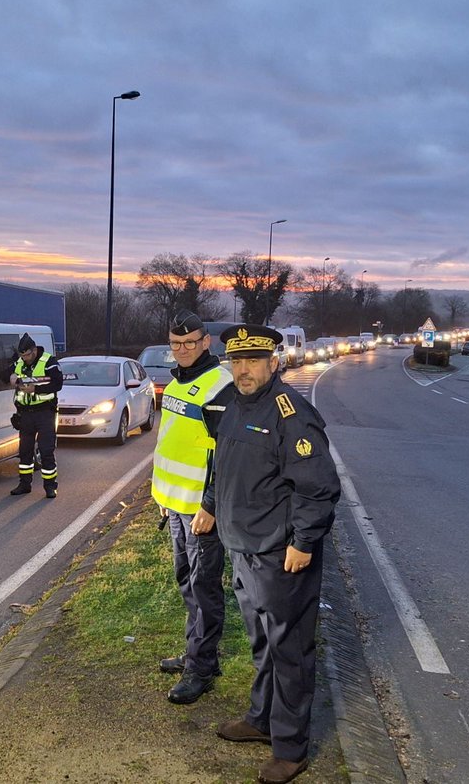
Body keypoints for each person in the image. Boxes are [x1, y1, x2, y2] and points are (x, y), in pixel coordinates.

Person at [192, 324, 341, 784]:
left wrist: (303, 542)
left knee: (290, 649)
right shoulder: (234, 407)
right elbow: (222, 465)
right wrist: (210, 508)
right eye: (237, 361)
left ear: (273, 363)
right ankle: (261, 719)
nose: (243, 369)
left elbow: (318, 487)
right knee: (263, 643)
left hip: (280, 555)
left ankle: (291, 748)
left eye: (253, 361)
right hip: (243, 549)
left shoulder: (290, 413)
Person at [150, 310, 235, 705]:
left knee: (203, 588)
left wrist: (211, 505)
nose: (183, 350)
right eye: (176, 344)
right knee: (187, 582)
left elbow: (229, 455)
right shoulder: (177, 381)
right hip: (175, 504)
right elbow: (173, 442)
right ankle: (198, 654)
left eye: (191, 342)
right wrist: (165, 500)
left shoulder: (220, 386)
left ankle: (200, 669)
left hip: (201, 511)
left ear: (207, 342)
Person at [9, 333, 63, 498]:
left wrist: (36, 389)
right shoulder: (19, 362)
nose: (24, 359)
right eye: (22, 355)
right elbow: (5, 372)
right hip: (25, 414)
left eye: (27, 355)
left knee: (46, 450)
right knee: (25, 451)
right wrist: (10, 376)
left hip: (45, 413)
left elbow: (57, 384)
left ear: (34, 351)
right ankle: (24, 484)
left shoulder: (49, 362)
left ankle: (50, 486)